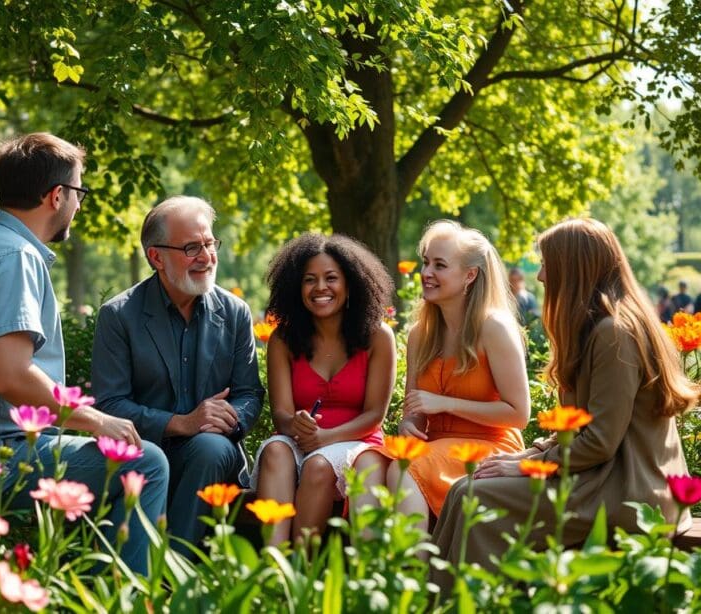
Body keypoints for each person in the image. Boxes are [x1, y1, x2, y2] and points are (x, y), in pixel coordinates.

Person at [0, 133, 169, 575]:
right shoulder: (13, 258)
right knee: (145, 463)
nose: (79, 205)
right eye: (79, 192)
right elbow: (11, 376)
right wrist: (100, 422)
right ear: (56, 195)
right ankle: (122, 602)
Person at [430, 218, 699, 590]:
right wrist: (525, 456)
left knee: (479, 497)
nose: (539, 276)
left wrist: (529, 466)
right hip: (603, 476)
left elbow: (599, 441)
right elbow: (581, 430)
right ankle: (446, 602)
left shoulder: (614, 334)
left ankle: (469, 600)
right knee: (465, 489)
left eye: (546, 264)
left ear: (573, 269)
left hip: (631, 492)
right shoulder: (599, 328)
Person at [91, 196, 264, 551]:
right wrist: (181, 422)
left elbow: (249, 393)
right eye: (191, 247)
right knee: (179, 452)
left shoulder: (235, 313)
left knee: (210, 448)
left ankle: (172, 578)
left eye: (209, 243)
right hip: (144, 448)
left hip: (213, 454)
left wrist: (229, 419)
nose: (206, 256)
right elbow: (109, 405)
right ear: (156, 257)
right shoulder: (118, 316)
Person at [373, 220, 529, 533]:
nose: (426, 273)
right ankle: (369, 569)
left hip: (490, 446)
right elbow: (414, 412)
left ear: (470, 275)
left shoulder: (493, 328)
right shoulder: (420, 334)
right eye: (426, 262)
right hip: (436, 447)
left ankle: (412, 575)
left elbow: (519, 415)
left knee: (406, 469)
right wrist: (409, 426)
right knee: (369, 465)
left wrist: (444, 403)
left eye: (440, 265)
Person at [250, 233, 396, 545]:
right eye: (309, 280)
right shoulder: (282, 339)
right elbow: (281, 415)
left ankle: (302, 569)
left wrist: (324, 438)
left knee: (319, 465)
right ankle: (273, 568)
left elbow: (374, 416)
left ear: (351, 283)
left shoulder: (378, 337)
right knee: (275, 451)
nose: (320, 288)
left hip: (357, 441)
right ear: (295, 287)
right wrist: (296, 424)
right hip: (299, 440)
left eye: (331, 278)